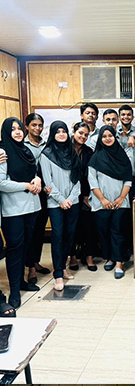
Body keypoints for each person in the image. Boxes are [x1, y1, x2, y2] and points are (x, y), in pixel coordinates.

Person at [0, 117, 42, 311]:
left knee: (26, 245)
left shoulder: (25, 150)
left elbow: (33, 171)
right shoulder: (3, 152)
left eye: (19, 128)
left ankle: (22, 282)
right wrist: (26, 185)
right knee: (15, 249)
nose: (17, 132)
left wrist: (37, 179)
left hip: (31, 206)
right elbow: (2, 183)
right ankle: (15, 291)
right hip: (13, 209)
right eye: (13, 129)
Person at [40, 121, 81, 291]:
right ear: (53, 134)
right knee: (57, 236)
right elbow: (48, 182)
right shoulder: (46, 154)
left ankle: (63, 267)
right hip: (55, 203)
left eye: (64, 131)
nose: (62, 134)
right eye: (58, 131)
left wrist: (70, 198)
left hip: (73, 202)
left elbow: (78, 179)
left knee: (69, 236)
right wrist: (61, 200)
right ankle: (57, 274)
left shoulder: (72, 153)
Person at [88, 126, 132, 279]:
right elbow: (92, 181)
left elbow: (128, 179)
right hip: (101, 202)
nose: (107, 138)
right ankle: (110, 258)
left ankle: (119, 263)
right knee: (104, 231)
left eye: (110, 135)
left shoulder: (122, 156)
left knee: (117, 231)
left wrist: (121, 198)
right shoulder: (95, 158)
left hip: (120, 202)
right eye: (104, 136)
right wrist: (102, 199)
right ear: (100, 139)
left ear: (115, 137)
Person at [24, 113, 51, 284]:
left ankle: (36, 262)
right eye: (34, 125)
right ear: (27, 126)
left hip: (45, 192)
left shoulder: (46, 144)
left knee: (40, 229)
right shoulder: (21, 145)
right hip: (29, 191)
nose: (37, 128)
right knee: (30, 230)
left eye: (40, 125)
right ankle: (30, 268)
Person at [69, 122, 97, 271]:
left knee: (88, 225)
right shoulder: (65, 148)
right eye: (80, 133)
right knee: (72, 226)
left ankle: (89, 256)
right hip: (68, 194)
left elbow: (90, 175)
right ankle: (73, 256)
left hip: (85, 193)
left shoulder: (88, 151)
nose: (83, 137)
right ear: (73, 132)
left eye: (86, 135)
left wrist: (87, 194)